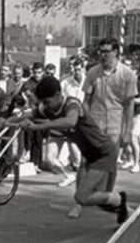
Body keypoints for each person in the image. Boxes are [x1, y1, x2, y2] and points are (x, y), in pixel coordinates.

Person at [10, 76, 128, 225]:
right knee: (91, 198)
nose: (46, 107)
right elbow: (27, 115)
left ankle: (120, 201)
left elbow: (70, 121)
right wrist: (6, 122)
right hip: (88, 155)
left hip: (103, 153)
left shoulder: (72, 104)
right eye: (43, 103)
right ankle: (118, 204)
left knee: (83, 197)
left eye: (47, 102)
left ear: (58, 94)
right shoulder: (46, 107)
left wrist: (40, 126)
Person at [83, 38, 137, 156]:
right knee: (92, 161)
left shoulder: (128, 74)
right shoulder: (92, 73)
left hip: (115, 127)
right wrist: (87, 125)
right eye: (101, 52)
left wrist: (128, 132)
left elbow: (129, 105)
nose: (103, 55)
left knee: (110, 162)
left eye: (107, 52)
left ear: (115, 52)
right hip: (95, 126)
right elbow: (86, 101)